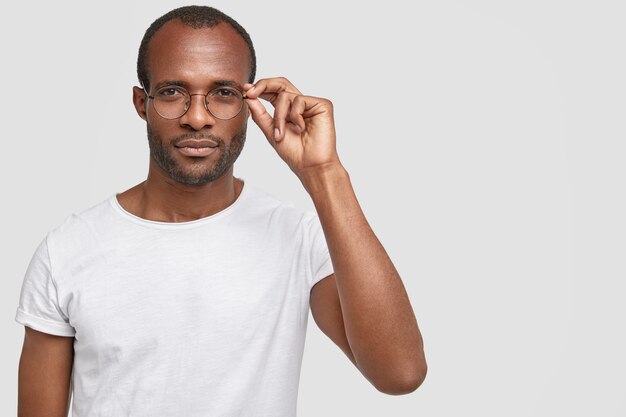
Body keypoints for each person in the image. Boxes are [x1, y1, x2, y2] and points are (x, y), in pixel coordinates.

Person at [15, 5, 426, 417]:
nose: (197, 118)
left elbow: (400, 374)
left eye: (224, 93)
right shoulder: (66, 251)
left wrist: (324, 173)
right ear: (142, 102)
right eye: (173, 92)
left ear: (252, 103)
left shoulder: (298, 238)